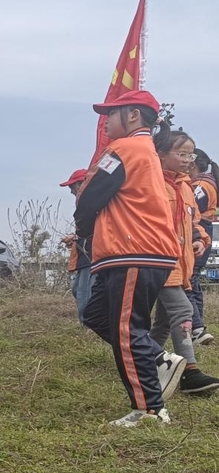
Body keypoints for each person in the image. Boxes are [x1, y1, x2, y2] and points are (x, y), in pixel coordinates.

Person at [74, 90, 181, 427]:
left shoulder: (124, 148)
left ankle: (150, 409)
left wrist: (84, 229)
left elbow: (89, 196)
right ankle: (159, 358)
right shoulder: (145, 149)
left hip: (134, 250)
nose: (105, 121)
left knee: (126, 330)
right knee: (95, 313)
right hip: (143, 251)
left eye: (111, 114)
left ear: (133, 115)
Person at [151, 130, 219, 395]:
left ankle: (146, 362)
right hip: (160, 262)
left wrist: (200, 238)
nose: (188, 159)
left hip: (183, 265)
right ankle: (190, 373)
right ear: (161, 154)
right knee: (183, 311)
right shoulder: (152, 183)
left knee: (162, 323)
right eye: (181, 153)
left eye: (190, 153)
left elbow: (194, 222)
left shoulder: (187, 187)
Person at [188, 149, 217, 346]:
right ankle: (198, 327)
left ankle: (196, 327)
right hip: (203, 230)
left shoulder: (200, 186)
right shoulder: (209, 182)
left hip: (198, 231)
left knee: (188, 279)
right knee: (194, 279)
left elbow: (188, 209)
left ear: (193, 164)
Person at [58, 169, 93, 324]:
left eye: (73, 187)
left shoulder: (93, 202)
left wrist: (77, 237)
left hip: (91, 254)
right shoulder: (85, 204)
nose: (72, 191)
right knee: (77, 289)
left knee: (84, 293)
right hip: (83, 255)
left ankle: (88, 327)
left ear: (83, 183)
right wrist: (75, 237)